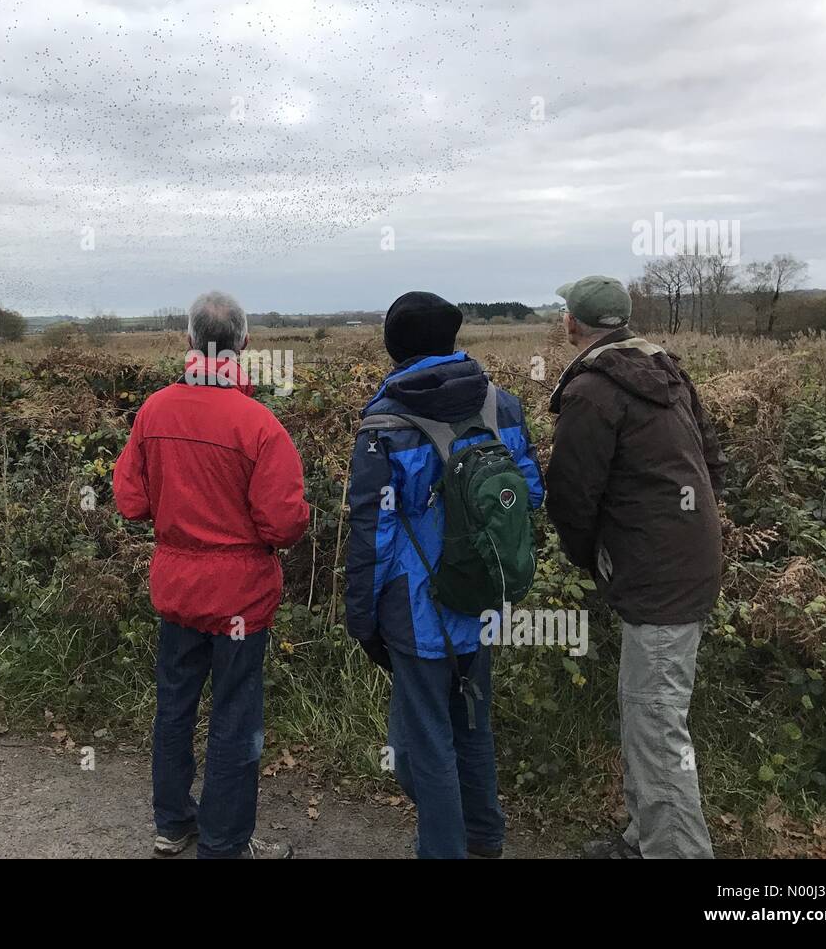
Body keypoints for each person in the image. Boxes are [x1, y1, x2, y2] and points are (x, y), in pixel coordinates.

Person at [345, 291, 544, 859]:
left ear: (392, 347)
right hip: (482, 592)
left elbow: (372, 536)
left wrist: (362, 619)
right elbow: (528, 492)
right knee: (472, 725)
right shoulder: (500, 407)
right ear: (453, 338)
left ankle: (444, 848)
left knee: (424, 744)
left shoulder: (384, 426)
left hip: (414, 607)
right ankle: (484, 838)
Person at [113, 290, 310, 859]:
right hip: (241, 603)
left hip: (177, 592)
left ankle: (172, 824)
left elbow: (130, 501)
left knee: (173, 707)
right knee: (235, 716)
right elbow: (284, 525)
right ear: (245, 344)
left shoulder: (153, 412)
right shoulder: (260, 426)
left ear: (189, 341)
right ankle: (224, 842)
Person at [546, 275, 726, 860]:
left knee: (655, 724)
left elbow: (572, 496)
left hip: (657, 574)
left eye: (564, 314)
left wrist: (593, 558)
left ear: (572, 324)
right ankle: (644, 839)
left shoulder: (593, 392)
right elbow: (712, 460)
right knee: (645, 709)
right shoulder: (664, 370)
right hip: (680, 560)